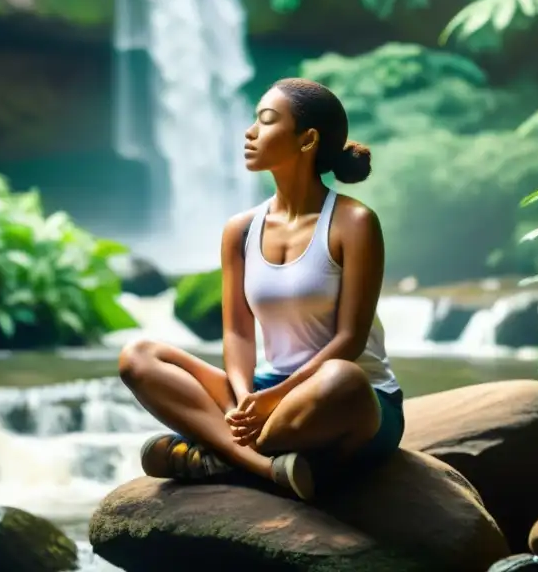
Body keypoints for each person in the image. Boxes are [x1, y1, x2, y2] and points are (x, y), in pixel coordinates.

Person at [117, 78, 403, 501]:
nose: (249, 133)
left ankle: (214, 453)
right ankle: (269, 469)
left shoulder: (354, 223)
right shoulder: (241, 230)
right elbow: (236, 332)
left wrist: (274, 399)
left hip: (352, 400)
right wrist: (243, 395)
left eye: (266, 122)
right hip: (265, 389)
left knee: (344, 378)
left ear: (307, 140)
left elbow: (350, 340)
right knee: (138, 356)